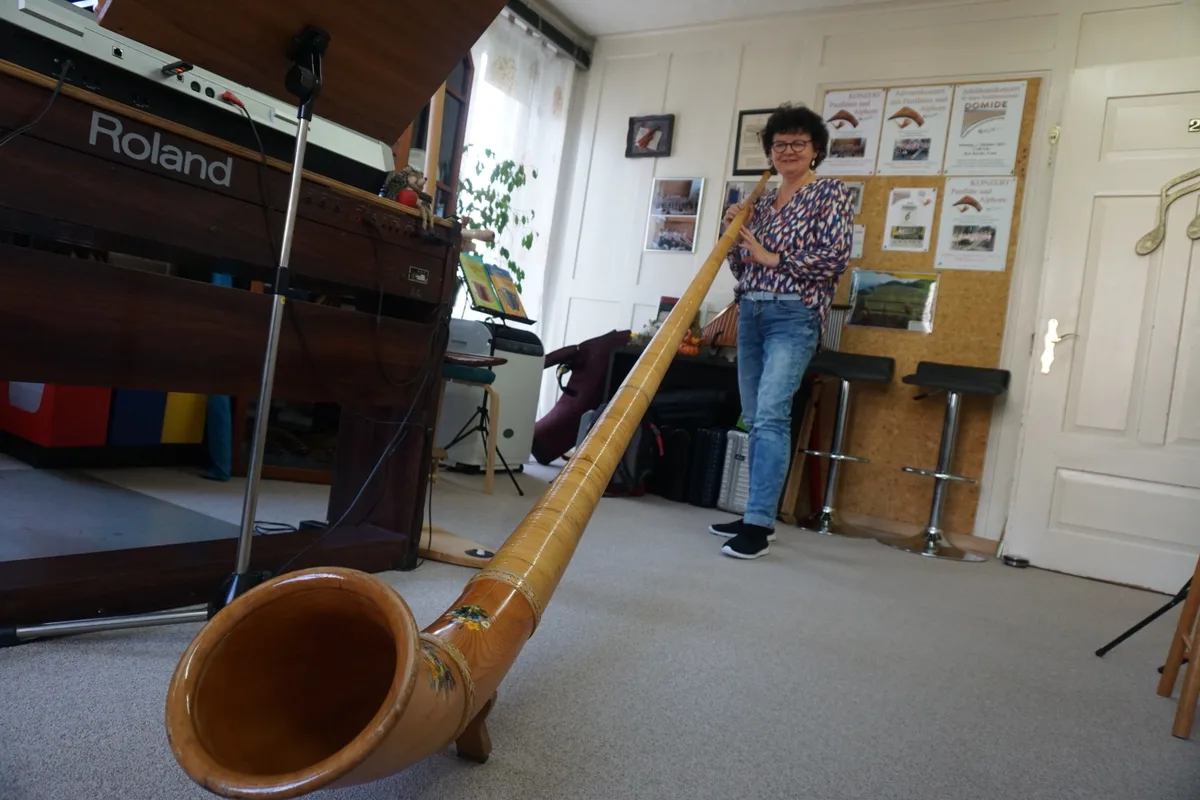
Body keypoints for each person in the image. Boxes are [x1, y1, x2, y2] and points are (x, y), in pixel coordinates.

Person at [710, 104, 854, 560]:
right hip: (750, 312)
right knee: (754, 418)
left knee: (771, 415)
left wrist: (777, 259)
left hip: (793, 316)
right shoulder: (764, 203)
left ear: (815, 151)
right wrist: (735, 231)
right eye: (779, 144)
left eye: (798, 143)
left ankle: (756, 524)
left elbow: (835, 257)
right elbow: (742, 264)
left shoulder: (829, 193)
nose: (787, 151)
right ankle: (758, 513)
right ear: (770, 153)